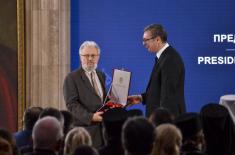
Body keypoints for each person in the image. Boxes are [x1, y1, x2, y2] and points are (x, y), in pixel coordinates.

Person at [127, 24, 186, 117]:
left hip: (165, 121)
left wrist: (162, 124)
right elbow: (159, 90)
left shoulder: (170, 59)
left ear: (158, 39)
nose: (143, 43)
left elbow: (168, 97)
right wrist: (142, 98)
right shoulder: (164, 57)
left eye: (146, 40)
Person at [63, 41, 106, 148]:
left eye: (93, 55)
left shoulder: (101, 75)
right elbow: (71, 104)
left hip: (102, 132)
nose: (90, 58)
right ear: (81, 57)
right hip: (84, 132)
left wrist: (119, 101)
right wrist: (91, 117)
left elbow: (102, 100)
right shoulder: (72, 78)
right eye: (86, 55)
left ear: (98, 57)